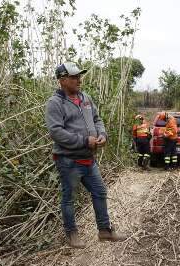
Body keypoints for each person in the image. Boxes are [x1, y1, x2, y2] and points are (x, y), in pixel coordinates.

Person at [45, 61, 126, 248]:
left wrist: (102, 134)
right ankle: (72, 234)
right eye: (74, 77)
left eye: (78, 76)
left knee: (99, 191)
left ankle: (105, 231)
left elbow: (97, 119)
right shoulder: (55, 103)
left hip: (88, 159)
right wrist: (84, 140)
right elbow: (56, 132)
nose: (78, 80)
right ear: (62, 80)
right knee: (68, 198)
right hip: (68, 161)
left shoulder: (85, 98)